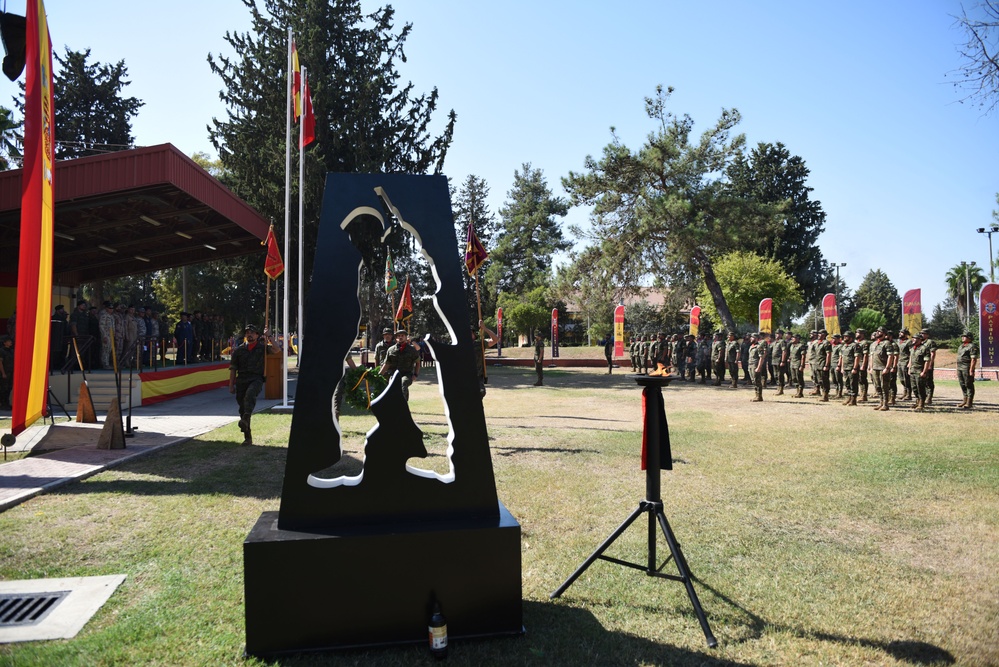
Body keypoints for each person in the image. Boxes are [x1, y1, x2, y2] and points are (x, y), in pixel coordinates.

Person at [229, 324, 275, 445]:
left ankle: (246, 418)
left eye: (252, 332)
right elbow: (233, 368)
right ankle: (247, 437)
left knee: (250, 396)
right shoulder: (239, 350)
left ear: (257, 335)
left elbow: (277, 350)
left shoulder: (262, 348)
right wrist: (231, 384)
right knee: (242, 408)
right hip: (242, 380)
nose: (249, 334)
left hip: (256, 378)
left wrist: (269, 336)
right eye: (247, 333)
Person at [380, 329, 421, 400]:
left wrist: (415, 374)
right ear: (396, 338)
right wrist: (379, 375)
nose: (400, 337)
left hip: (407, 374)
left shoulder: (412, 350)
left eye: (402, 335)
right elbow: (386, 364)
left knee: (403, 382)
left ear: (406, 337)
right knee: (392, 388)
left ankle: (402, 404)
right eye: (398, 336)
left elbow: (418, 362)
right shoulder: (391, 350)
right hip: (394, 374)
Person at [472, 320, 498, 395]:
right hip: (466, 375)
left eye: (471, 333)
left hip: (478, 375)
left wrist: (485, 328)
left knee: (481, 392)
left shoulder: (480, 343)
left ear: (474, 334)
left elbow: (495, 339)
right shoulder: (462, 345)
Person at [909, 331, 933, 412]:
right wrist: (909, 368)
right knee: (914, 387)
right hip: (912, 370)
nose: (913, 340)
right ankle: (917, 401)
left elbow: (927, 361)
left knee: (920, 387)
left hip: (920, 370)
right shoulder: (912, 348)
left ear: (919, 339)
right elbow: (911, 359)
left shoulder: (924, 348)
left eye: (915, 338)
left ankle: (921, 403)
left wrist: (924, 372)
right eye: (913, 338)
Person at [956, 330, 979, 410]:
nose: (963, 337)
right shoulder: (961, 346)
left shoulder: (972, 346)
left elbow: (973, 359)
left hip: (966, 367)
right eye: (962, 336)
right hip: (960, 367)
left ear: (969, 338)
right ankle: (964, 400)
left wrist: (971, 370)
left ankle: (969, 402)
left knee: (968, 384)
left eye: (964, 336)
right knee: (962, 384)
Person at [839, 330, 859, 406]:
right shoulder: (844, 346)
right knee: (847, 384)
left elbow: (857, 357)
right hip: (845, 368)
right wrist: (842, 367)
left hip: (852, 367)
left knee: (853, 383)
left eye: (846, 336)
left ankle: (853, 400)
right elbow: (843, 357)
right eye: (844, 336)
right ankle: (849, 397)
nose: (844, 338)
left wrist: (855, 368)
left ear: (851, 337)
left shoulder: (855, 345)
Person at [748, 333, 765, 402]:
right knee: (753, 381)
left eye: (752, 337)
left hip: (755, 365)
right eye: (751, 337)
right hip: (750, 364)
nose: (751, 339)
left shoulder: (759, 346)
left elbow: (761, 358)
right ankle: (756, 395)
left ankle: (759, 396)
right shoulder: (751, 346)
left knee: (757, 381)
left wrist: (759, 367)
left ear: (756, 338)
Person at [789, 332, 807, 398]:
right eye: (792, 338)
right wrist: (789, 358)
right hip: (792, 363)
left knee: (799, 378)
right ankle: (797, 391)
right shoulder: (792, 346)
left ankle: (800, 392)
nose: (792, 339)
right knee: (794, 378)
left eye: (794, 338)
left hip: (798, 363)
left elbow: (803, 356)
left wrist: (802, 365)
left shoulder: (801, 346)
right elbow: (791, 354)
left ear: (798, 339)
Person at [897, 329, 913, 401]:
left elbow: (911, 353)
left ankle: (908, 394)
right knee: (901, 378)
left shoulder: (909, 342)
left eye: (902, 333)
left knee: (907, 379)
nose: (900, 333)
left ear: (906, 334)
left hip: (905, 362)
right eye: (899, 332)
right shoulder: (899, 342)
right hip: (899, 362)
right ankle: (904, 392)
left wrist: (910, 363)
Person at [98, 300, 115, 370]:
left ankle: (107, 363)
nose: (111, 310)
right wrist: (104, 336)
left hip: (111, 335)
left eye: (112, 308)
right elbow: (101, 326)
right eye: (109, 308)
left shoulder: (111, 316)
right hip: (106, 335)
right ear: (106, 308)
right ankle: (105, 364)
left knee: (109, 350)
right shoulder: (104, 315)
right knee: (105, 350)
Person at [0, 334, 12, 410]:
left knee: (9, 388)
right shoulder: (2, 351)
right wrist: (3, 373)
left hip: (11, 373)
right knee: (3, 389)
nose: (10, 342)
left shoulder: (11, 351)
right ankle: (3, 404)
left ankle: (7, 403)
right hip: (4, 373)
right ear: (4, 342)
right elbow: (0, 362)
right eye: (8, 341)